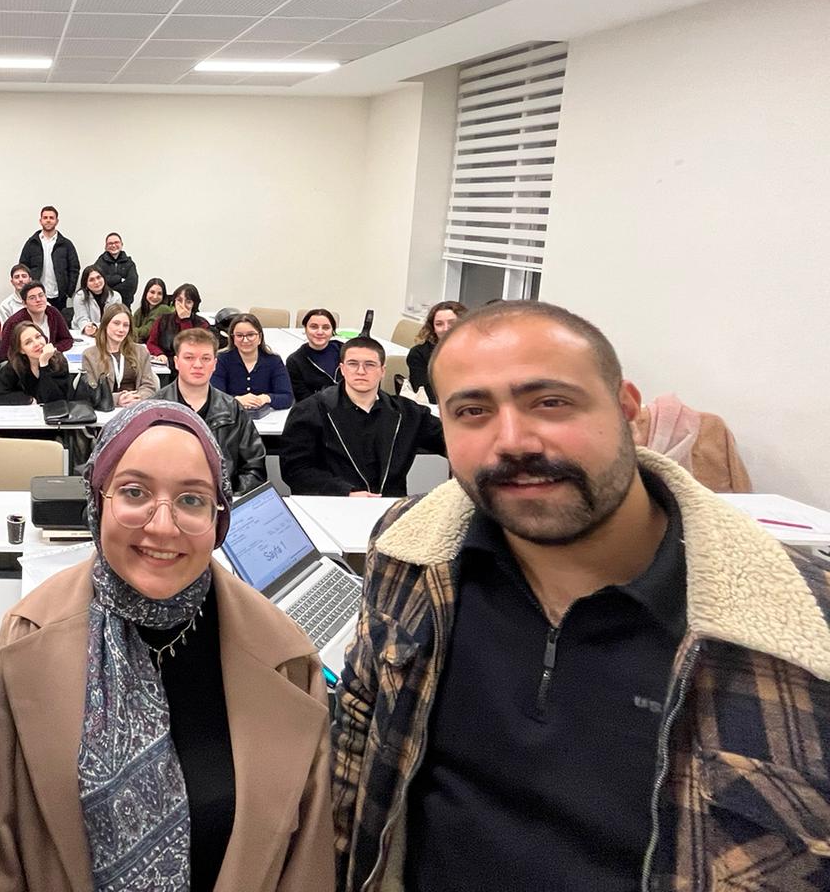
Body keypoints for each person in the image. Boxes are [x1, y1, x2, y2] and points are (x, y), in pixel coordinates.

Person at [334, 301, 830, 892]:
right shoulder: (409, 556)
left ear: (628, 411)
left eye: (550, 402)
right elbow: (357, 739)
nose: (512, 441)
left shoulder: (804, 636)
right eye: (472, 411)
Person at [0, 400, 333, 892]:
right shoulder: (27, 637)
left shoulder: (289, 660)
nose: (163, 526)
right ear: (97, 501)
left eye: (192, 500)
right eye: (134, 492)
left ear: (218, 518)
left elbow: (306, 864)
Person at [276, 335, 443, 497]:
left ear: (382, 371)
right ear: (342, 369)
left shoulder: (409, 413)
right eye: (353, 364)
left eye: (370, 365)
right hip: (334, 505)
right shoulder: (310, 411)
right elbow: (294, 469)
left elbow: (450, 440)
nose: (361, 371)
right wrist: (345, 492)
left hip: (389, 508)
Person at [152, 328, 266, 495]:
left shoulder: (233, 410)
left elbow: (254, 467)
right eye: (189, 358)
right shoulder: (154, 409)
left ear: (214, 364)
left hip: (222, 502)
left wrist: (229, 499)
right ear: (176, 362)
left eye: (205, 358)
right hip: (167, 501)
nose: (198, 365)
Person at [73, 302, 158, 410]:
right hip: (105, 409)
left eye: (125, 325)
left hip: (135, 407)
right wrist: (118, 399)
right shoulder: (90, 355)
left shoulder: (141, 352)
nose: (121, 329)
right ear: (105, 325)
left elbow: (149, 386)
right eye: (116, 323)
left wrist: (137, 397)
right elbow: (91, 393)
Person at [212, 313, 294, 413]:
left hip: (268, 418)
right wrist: (236, 400)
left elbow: (287, 397)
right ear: (233, 338)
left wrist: (266, 398)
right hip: (230, 417)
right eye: (239, 335)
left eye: (250, 335)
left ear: (260, 337)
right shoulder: (222, 360)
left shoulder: (274, 361)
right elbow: (215, 398)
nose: (245, 340)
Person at [0, 320, 72, 406]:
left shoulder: (59, 362)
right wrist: (29, 400)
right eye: (28, 342)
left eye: (38, 337)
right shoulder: (12, 368)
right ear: (21, 350)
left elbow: (55, 400)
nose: (37, 343)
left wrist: (44, 364)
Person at [17, 205, 79, 314]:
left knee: (57, 322)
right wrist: (27, 289)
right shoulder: (31, 243)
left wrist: (69, 291)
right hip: (36, 296)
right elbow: (23, 267)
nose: (48, 220)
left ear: (57, 221)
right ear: (40, 221)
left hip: (59, 297)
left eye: (51, 218)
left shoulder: (66, 244)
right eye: (45, 218)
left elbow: (74, 268)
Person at [406, 299, 468, 405]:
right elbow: (427, 395)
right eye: (439, 324)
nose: (446, 328)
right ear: (433, 329)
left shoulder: (477, 351)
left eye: (452, 323)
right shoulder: (419, 354)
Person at [0, 282, 74, 359]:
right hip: (25, 363)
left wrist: (52, 349)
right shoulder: (14, 323)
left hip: (50, 360)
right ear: (24, 303)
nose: (38, 300)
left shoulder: (53, 313)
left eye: (41, 295)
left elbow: (67, 339)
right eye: (32, 298)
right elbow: (4, 354)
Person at [285, 307, 342, 403]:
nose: (320, 332)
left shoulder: (344, 351)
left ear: (332, 330)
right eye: (314, 327)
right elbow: (303, 398)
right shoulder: (295, 361)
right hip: (317, 409)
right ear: (305, 329)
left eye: (326, 327)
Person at [146, 283, 210, 364]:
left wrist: (185, 321)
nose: (183, 305)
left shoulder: (202, 324)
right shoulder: (163, 320)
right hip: (165, 363)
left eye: (188, 302)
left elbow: (191, 347)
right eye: (179, 300)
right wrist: (159, 354)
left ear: (194, 304)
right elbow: (151, 343)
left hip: (190, 364)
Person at [68, 264, 119, 337]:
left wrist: (97, 327)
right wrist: (87, 328)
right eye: (91, 280)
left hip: (107, 332)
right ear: (86, 283)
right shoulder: (79, 296)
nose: (96, 282)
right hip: (83, 333)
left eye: (98, 277)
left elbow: (114, 319)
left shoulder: (115, 296)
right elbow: (82, 320)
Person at [92, 231, 139, 308]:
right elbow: (98, 284)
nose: (113, 245)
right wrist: (118, 279)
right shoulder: (99, 263)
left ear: (122, 244)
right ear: (106, 247)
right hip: (104, 306)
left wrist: (111, 289)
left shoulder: (130, 263)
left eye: (116, 242)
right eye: (110, 243)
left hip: (125, 305)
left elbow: (131, 285)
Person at [132, 276, 170, 343]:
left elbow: (146, 332)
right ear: (146, 293)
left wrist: (131, 331)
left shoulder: (163, 309)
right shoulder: (140, 310)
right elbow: (129, 326)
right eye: (152, 292)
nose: (155, 297)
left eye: (159, 294)